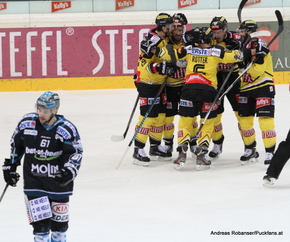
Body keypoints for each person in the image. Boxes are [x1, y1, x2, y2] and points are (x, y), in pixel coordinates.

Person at [156, 27, 243, 170]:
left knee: (185, 122)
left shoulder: (188, 49)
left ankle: (182, 152)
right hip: (208, 91)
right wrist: (237, 48)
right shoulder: (217, 51)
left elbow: (169, 54)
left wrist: (154, 49)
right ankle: (202, 155)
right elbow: (238, 56)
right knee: (207, 123)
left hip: (188, 89)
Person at [2, 91, 83, 242]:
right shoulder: (27, 123)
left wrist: (68, 172)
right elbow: (17, 146)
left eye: (45, 111)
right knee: (40, 231)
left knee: (60, 231)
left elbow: (75, 153)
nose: (41, 114)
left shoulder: (65, 129)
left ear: (55, 111)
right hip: (35, 183)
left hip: (58, 186)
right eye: (39, 109)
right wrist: (10, 166)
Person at [133, 13, 177, 166]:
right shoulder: (152, 41)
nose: (173, 28)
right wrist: (161, 67)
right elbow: (145, 65)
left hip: (159, 83)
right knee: (148, 117)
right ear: (164, 27)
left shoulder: (163, 39)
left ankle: (155, 147)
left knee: (160, 116)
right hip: (147, 82)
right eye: (171, 26)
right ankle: (138, 149)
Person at [237, 20, 276, 165]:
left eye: (242, 31)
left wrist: (242, 66)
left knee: (265, 121)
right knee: (244, 121)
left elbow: (257, 70)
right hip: (246, 88)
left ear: (250, 32)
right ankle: (250, 149)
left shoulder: (259, 44)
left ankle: (270, 152)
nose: (240, 34)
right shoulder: (243, 45)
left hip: (262, 86)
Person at [161, 13, 199, 157]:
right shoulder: (165, 42)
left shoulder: (189, 41)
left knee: (190, 116)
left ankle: (193, 143)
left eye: (180, 29)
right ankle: (168, 144)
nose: (177, 33)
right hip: (170, 86)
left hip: (186, 86)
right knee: (168, 118)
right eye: (175, 29)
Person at [208, 16, 243, 159]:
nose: (216, 35)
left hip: (233, 78)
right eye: (214, 32)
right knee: (215, 115)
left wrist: (239, 46)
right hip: (216, 79)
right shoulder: (209, 40)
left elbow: (245, 54)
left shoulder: (236, 37)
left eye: (219, 32)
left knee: (241, 114)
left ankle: (249, 146)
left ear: (225, 30)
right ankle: (217, 144)